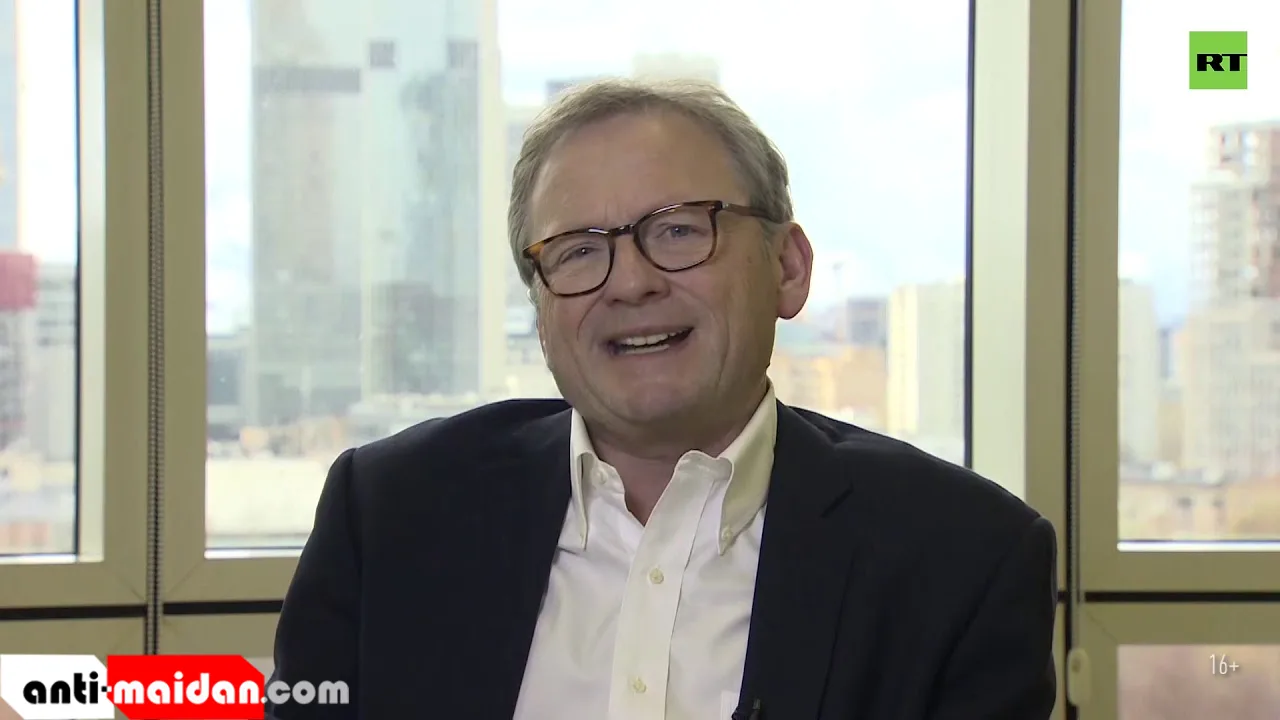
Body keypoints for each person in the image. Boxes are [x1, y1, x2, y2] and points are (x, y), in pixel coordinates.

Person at [265, 78, 1058, 720]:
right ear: (540, 306)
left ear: (787, 268)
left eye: (679, 230)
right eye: (578, 251)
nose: (632, 282)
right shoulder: (391, 512)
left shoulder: (961, 559)